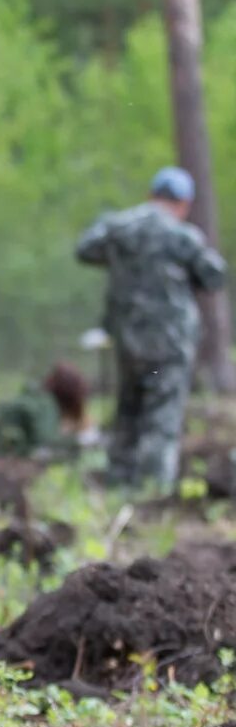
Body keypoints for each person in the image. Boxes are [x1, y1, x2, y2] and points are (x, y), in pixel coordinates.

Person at [76, 167, 226, 492]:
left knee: (128, 409)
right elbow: (214, 275)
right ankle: (153, 496)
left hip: (127, 339)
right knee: (162, 417)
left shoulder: (120, 226)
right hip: (170, 343)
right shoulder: (182, 235)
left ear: (151, 195)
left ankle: (118, 486)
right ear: (184, 203)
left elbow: (86, 249)